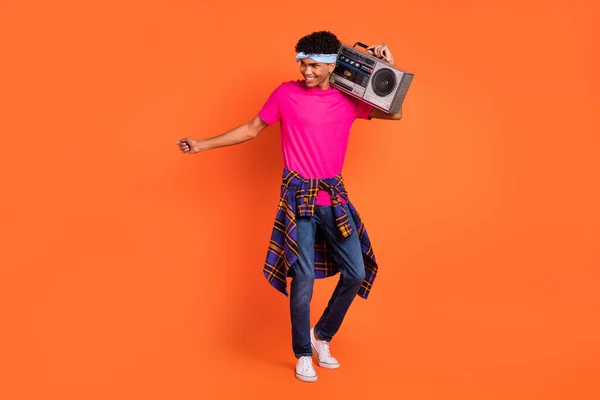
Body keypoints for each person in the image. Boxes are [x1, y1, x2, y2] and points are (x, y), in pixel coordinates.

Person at [176, 31, 403, 383]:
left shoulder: (349, 98)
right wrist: (202, 145)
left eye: (314, 65)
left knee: (356, 272)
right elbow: (252, 129)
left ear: (332, 66)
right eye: (303, 63)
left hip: (333, 197)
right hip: (298, 197)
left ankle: (321, 336)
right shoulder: (286, 93)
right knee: (303, 279)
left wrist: (386, 67)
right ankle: (302, 353)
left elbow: (395, 112)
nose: (306, 71)